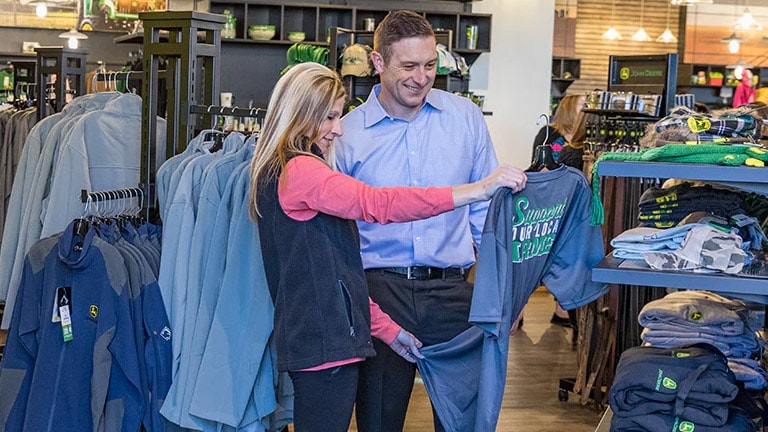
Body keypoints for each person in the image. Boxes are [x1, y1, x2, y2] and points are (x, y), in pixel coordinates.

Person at [247, 62, 527, 432]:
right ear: (301, 113)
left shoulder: (280, 169)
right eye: (329, 117)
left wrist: (389, 331)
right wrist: (476, 190)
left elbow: (338, 274)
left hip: (324, 342)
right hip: (324, 345)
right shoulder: (302, 172)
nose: (338, 129)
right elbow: (379, 204)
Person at [334, 10, 516, 432]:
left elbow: (484, 213)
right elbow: (339, 232)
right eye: (409, 66)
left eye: (430, 65)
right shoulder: (347, 133)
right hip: (381, 289)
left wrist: (496, 286)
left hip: (454, 289)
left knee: (463, 417)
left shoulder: (465, 117)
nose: (422, 77)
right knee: (379, 416)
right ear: (379, 63)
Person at [531, 93, 586, 163]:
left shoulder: (587, 137)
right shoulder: (548, 132)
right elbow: (536, 164)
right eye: (583, 104)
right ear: (569, 108)